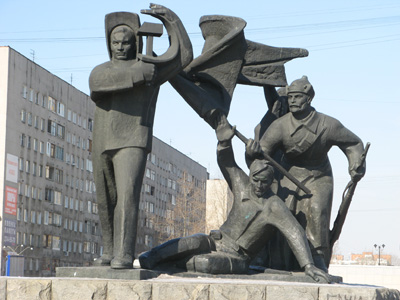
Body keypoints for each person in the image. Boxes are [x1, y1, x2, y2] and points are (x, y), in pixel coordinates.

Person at [139, 115, 330, 283]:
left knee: (206, 263)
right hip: (215, 240)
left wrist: (308, 265)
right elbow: (228, 163)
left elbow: (294, 232)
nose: (259, 185)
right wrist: (224, 143)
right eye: (255, 180)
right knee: (193, 242)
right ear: (251, 176)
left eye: (264, 182)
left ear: (271, 182)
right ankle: (152, 257)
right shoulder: (242, 184)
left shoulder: (274, 206)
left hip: (238, 256)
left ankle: (171, 263)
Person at [89, 5, 192, 269]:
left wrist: (171, 20)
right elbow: (97, 85)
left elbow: (183, 57)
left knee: (126, 196)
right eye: (115, 42)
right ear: (109, 44)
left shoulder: (152, 68)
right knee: (105, 199)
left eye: (126, 42)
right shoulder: (103, 70)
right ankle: (109, 250)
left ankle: (123, 253)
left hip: (133, 137)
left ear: (134, 43)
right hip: (102, 139)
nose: (120, 47)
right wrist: (138, 75)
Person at [251, 76, 366, 272]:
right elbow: (263, 153)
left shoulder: (328, 124)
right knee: (282, 211)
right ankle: (279, 262)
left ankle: (318, 258)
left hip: (318, 175)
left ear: (309, 99)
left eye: (297, 97)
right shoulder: (280, 125)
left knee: (317, 211)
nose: (292, 101)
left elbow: (353, 144)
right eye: (290, 97)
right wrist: (252, 152)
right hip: (288, 173)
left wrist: (355, 164)